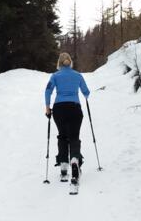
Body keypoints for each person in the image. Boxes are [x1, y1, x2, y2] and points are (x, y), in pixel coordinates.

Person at [44, 52, 90, 183]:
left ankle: (64, 165)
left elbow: (48, 91)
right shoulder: (78, 75)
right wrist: (85, 95)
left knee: (62, 136)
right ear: (70, 62)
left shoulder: (55, 76)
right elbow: (86, 92)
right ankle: (75, 160)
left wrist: (47, 107)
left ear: (59, 63)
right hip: (75, 109)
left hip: (59, 109)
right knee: (74, 136)